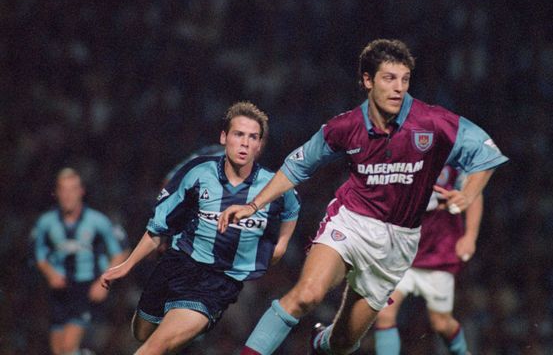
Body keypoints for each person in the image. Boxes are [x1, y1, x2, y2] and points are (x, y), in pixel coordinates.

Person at [216, 39, 508, 355]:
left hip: (399, 243)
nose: (399, 88)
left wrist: (469, 193)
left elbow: (486, 152)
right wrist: (253, 204)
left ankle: (321, 342)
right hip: (351, 222)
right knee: (307, 295)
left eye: (405, 79)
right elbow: (298, 166)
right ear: (368, 81)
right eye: (389, 78)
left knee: (343, 344)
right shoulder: (345, 126)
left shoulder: (433, 122)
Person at [100, 101, 301, 355]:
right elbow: (159, 226)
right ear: (224, 137)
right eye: (239, 134)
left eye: (253, 137)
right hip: (176, 264)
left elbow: (292, 209)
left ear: (260, 145)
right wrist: (126, 265)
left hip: (217, 283)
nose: (245, 143)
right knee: (142, 333)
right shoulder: (197, 172)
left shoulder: (274, 184)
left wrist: (282, 243)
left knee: (156, 345)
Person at [373, 164, 481, 355]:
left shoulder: (452, 156)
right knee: (384, 314)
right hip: (401, 252)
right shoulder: (400, 151)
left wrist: (470, 236)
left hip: (438, 254)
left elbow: (474, 191)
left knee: (441, 324)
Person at [32, 167, 129, 355]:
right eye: (64, 190)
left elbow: (121, 251)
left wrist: (105, 281)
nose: (68, 196)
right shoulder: (46, 223)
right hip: (60, 291)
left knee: (68, 346)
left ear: (81, 191)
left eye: (73, 189)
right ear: (56, 193)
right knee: (59, 350)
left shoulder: (97, 221)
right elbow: (38, 254)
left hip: (86, 288)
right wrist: (50, 273)